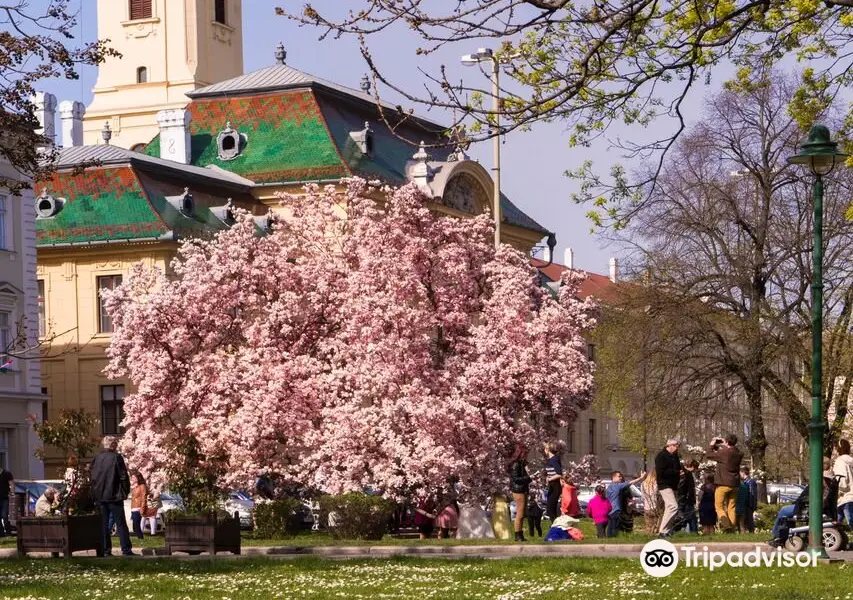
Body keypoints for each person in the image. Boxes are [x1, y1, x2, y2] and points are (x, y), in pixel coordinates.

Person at [90, 436, 133, 556]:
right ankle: (126, 549)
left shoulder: (96, 458)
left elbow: (92, 477)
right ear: (113, 445)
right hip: (114, 495)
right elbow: (123, 476)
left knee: (103, 524)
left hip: (100, 496)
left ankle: (106, 550)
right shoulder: (117, 457)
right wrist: (125, 491)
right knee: (120, 523)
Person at [705, 434, 743, 533]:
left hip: (723, 484)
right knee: (732, 507)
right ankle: (732, 529)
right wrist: (726, 442)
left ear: (726, 442)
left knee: (719, 506)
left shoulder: (725, 453)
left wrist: (711, 445)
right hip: (735, 484)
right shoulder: (738, 453)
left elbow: (709, 455)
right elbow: (734, 448)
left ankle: (726, 526)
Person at [605, 470, 646, 537]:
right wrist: (640, 478)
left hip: (610, 511)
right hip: (616, 510)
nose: (621, 478)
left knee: (610, 526)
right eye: (619, 476)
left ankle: (609, 538)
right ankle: (614, 538)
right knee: (616, 527)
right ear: (614, 477)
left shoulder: (609, 487)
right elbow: (630, 483)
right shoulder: (617, 486)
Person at [654, 439, 681, 537]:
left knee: (670, 508)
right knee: (673, 506)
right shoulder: (661, 456)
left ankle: (666, 530)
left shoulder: (675, 456)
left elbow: (678, 468)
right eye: (677, 446)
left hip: (673, 485)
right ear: (670, 446)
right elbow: (662, 472)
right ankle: (663, 531)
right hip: (664, 485)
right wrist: (677, 473)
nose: (677, 448)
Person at [507, 445, 532, 542]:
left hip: (523, 489)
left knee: (522, 513)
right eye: (525, 453)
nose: (526, 455)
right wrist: (528, 478)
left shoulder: (521, 464)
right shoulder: (516, 464)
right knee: (520, 513)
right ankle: (517, 535)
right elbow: (516, 479)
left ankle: (520, 534)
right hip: (518, 490)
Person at [834, 439, 853, 525]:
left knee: (848, 522)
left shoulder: (840, 462)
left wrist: (838, 491)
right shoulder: (850, 461)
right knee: (836, 523)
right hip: (850, 497)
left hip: (845, 497)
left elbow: (842, 481)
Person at [542, 442, 563, 522]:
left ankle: (555, 525)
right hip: (552, 486)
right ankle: (554, 525)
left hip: (555, 487)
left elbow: (559, 474)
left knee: (551, 508)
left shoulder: (554, 459)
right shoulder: (551, 460)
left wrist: (550, 479)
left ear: (548, 450)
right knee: (550, 508)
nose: (544, 450)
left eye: (545, 448)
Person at [640, 468, 663, 535]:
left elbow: (643, 496)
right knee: (656, 526)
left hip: (646, 507)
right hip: (655, 507)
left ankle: (647, 538)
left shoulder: (643, 483)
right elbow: (659, 495)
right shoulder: (657, 484)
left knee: (648, 526)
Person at [735, 466, 757, 533]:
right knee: (743, 522)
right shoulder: (744, 482)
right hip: (744, 504)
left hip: (748, 504)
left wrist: (751, 505)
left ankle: (751, 533)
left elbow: (752, 494)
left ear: (743, 473)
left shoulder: (750, 482)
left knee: (749, 521)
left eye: (740, 473)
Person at [678, 460, 698, 533]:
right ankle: (693, 532)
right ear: (692, 467)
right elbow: (683, 488)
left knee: (688, 517)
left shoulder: (685, 474)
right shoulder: (686, 474)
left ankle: (689, 532)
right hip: (686, 500)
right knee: (691, 518)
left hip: (686, 499)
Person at [130, 471, 148, 540]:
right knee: (135, 525)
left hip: (138, 507)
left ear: (138, 478)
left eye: (134, 477)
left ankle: (140, 537)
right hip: (133, 507)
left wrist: (142, 508)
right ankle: (139, 536)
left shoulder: (142, 486)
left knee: (136, 524)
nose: (132, 478)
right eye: (132, 477)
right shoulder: (134, 486)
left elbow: (144, 498)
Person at [0, 465, 12, 537]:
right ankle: (1, 534)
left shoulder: (7, 473)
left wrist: (12, 493)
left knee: (5, 516)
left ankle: (8, 532)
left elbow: (12, 484)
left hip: (5, 498)